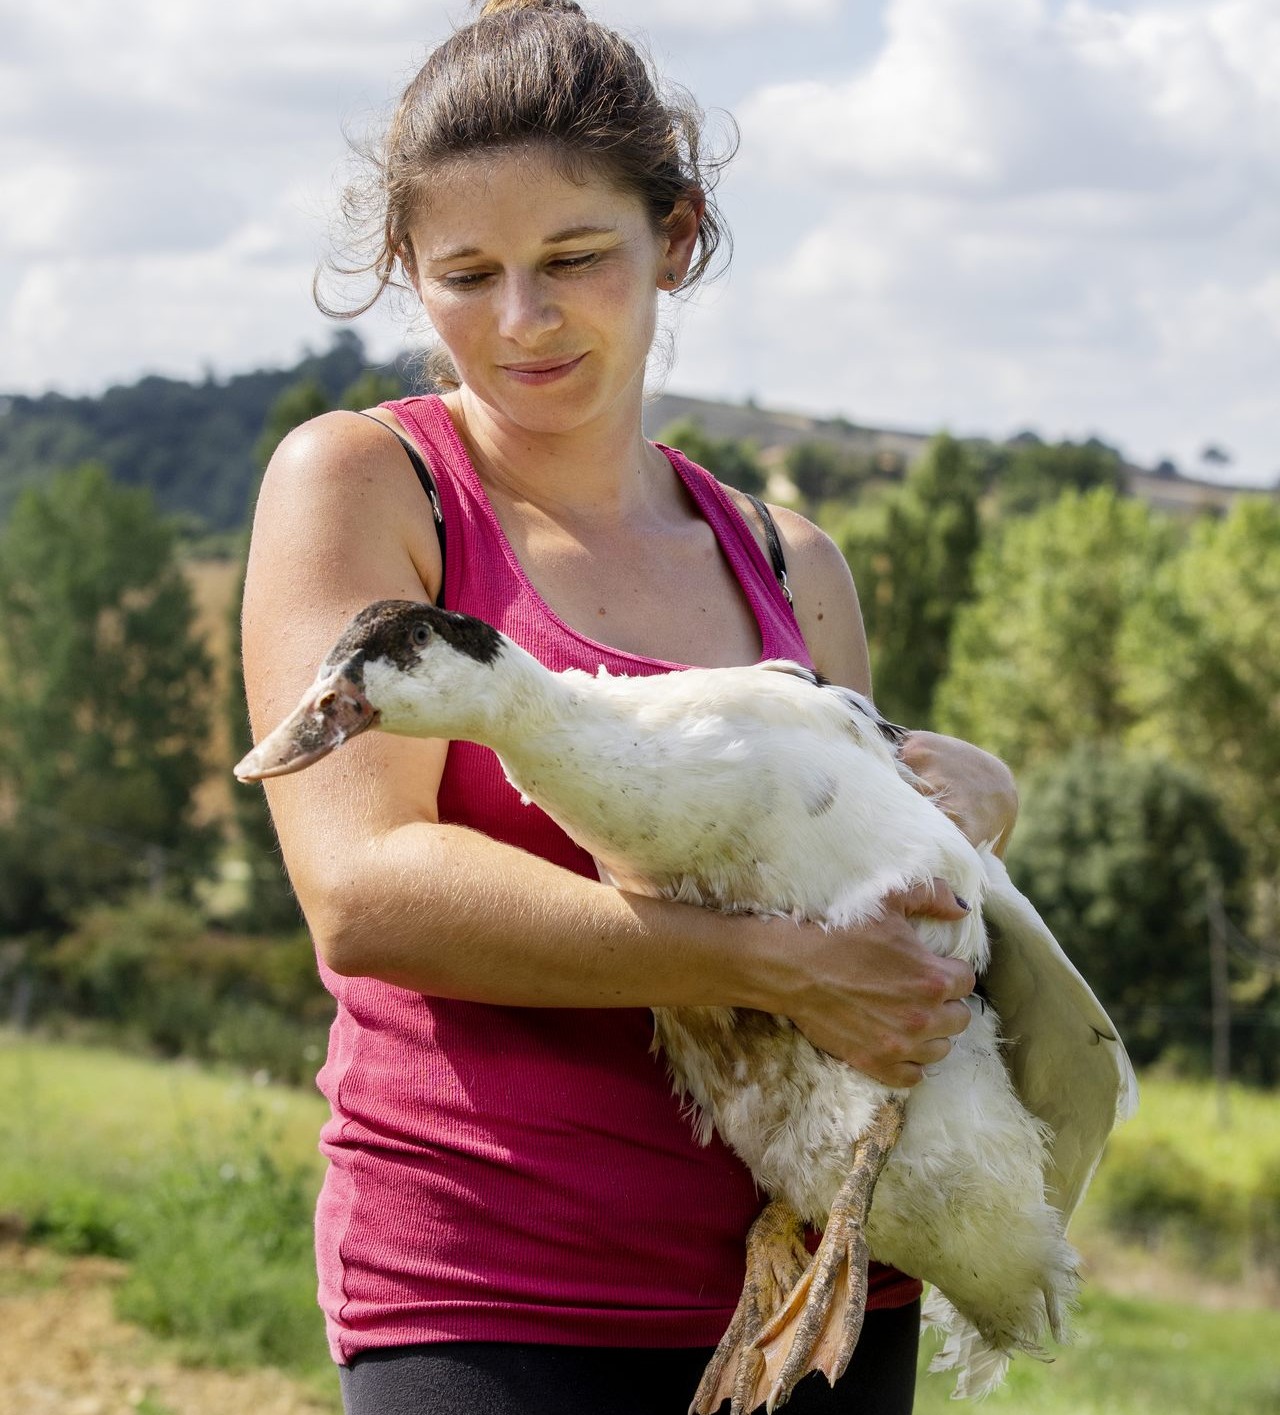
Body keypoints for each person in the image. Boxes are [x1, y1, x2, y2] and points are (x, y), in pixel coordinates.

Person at [241, 2, 1017, 1411]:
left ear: (680, 235)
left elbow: (859, 904)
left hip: (822, 1294)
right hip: (502, 1290)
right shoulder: (367, 487)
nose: (521, 321)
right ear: (405, 268)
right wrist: (761, 962)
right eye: (467, 272)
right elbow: (366, 891)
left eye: (576, 259)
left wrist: (975, 819)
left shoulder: (792, 563)